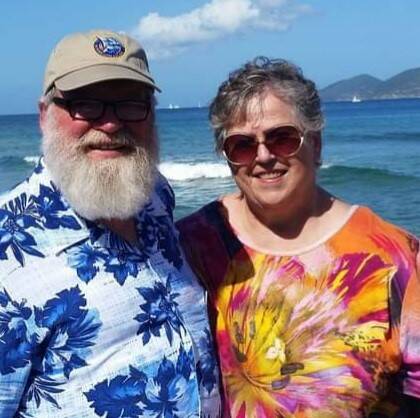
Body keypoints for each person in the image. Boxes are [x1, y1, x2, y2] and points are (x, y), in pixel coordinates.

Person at [177, 57, 420, 417]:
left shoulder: (393, 254)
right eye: (242, 145)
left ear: (316, 144)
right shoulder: (192, 245)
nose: (263, 156)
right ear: (227, 158)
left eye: (282, 138)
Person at [0, 29, 221, 417]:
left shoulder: (154, 195)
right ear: (44, 115)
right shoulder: (8, 252)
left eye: (131, 105)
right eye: (85, 105)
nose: (110, 124)